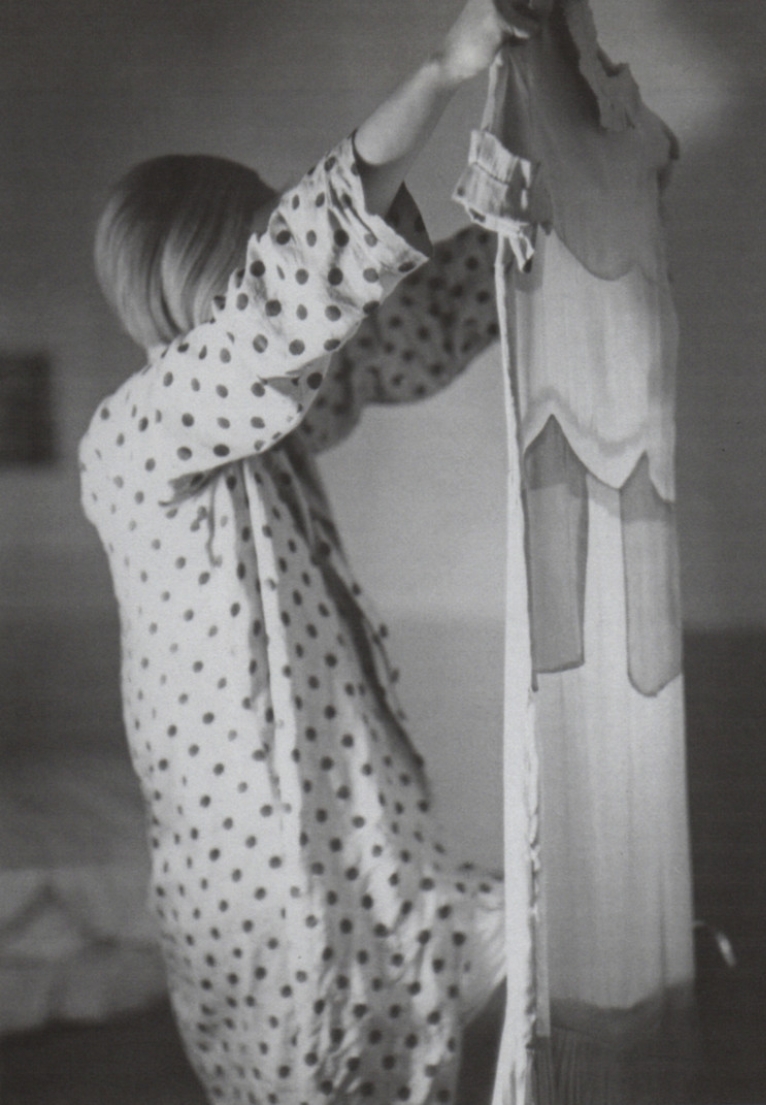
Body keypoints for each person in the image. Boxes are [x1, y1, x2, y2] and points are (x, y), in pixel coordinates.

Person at [80, 2, 537, 1102]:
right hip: (278, 894)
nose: (299, 306)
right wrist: (441, 71)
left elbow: (390, 335)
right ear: (210, 285)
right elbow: (295, 306)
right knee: (328, 1065)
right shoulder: (138, 441)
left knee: (516, 954)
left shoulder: (269, 429)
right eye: (259, 258)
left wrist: (546, 221)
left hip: (367, 858)